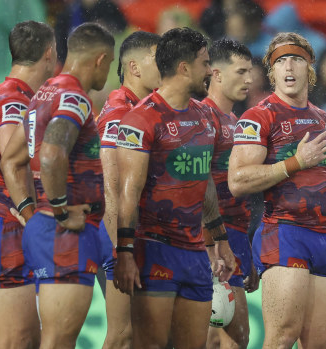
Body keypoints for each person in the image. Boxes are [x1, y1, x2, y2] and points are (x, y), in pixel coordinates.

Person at [228, 32, 326, 348]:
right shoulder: (258, 116)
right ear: (271, 72)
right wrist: (295, 162)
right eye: (280, 61)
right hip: (282, 232)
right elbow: (237, 180)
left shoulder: (323, 119)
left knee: (319, 344)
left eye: (296, 59)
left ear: (310, 68)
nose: (289, 66)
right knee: (282, 338)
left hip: (321, 238)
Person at [112, 27, 236, 348]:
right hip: (154, 248)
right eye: (205, 63)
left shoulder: (206, 117)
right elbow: (129, 190)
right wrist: (124, 252)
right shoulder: (140, 120)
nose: (210, 71)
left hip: (194, 251)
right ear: (184, 68)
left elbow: (203, 179)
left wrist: (219, 237)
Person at [0, 22, 115, 349]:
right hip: (66, 235)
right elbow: (50, 155)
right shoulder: (74, 98)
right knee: (58, 342)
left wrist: (30, 211)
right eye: (109, 64)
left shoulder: (45, 92)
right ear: (100, 59)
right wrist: (62, 212)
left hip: (47, 231)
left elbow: (11, 160)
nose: (108, 73)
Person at [0, 20, 55, 349]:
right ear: (50, 54)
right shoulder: (16, 100)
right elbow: (12, 159)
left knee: (24, 339)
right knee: (17, 339)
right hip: (12, 222)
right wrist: (32, 215)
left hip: (0, 219)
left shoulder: (1, 94)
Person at [96, 30, 161, 349]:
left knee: (145, 337)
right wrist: (120, 252)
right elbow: (110, 187)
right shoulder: (120, 113)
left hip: (139, 236)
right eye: (157, 59)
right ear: (134, 67)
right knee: (124, 335)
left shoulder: (145, 110)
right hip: (120, 237)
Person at [201, 38, 258, 349]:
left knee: (237, 338)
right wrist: (211, 248)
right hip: (212, 239)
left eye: (250, 71)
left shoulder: (236, 122)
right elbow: (195, 188)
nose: (249, 79)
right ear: (217, 74)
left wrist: (246, 251)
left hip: (235, 237)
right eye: (241, 71)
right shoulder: (202, 117)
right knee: (216, 338)